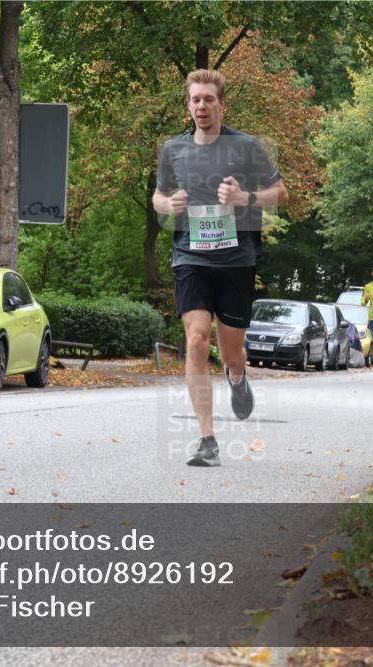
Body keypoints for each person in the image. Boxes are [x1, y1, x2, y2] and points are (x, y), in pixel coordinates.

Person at [152, 69, 288, 467]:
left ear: (221, 103)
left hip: (236, 260)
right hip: (190, 256)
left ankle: (237, 377)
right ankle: (207, 439)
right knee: (196, 339)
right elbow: (158, 198)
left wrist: (245, 195)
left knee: (230, 351)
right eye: (195, 100)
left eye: (208, 99)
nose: (201, 106)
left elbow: (281, 193)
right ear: (188, 105)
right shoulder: (173, 150)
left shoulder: (246, 147)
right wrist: (169, 205)